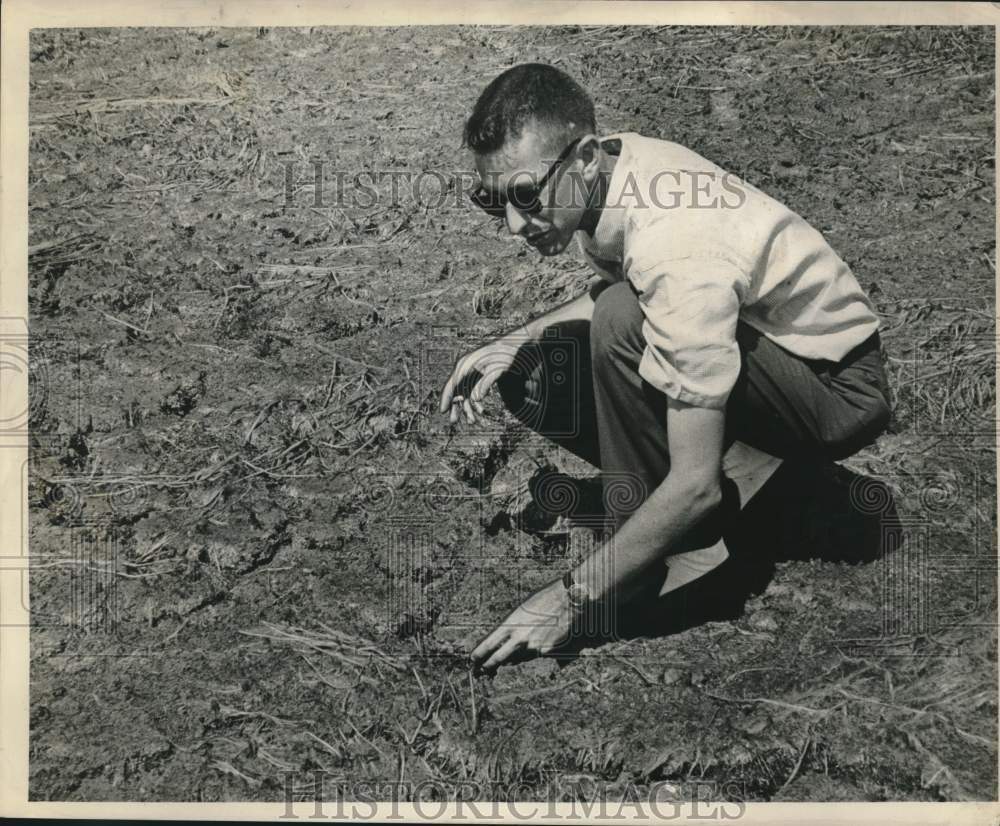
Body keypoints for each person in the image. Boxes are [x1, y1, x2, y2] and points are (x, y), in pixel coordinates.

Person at [439, 63, 892, 671]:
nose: (517, 225)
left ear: (588, 157)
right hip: (760, 346)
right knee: (530, 367)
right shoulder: (614, 175)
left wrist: (573, 597)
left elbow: (693, 481)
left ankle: (695, 553)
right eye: (493, 202)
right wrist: (516, 336)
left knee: (623, 325)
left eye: (526, 195)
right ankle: (745, 480)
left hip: (834, 386)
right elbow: (629, 290)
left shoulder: (678, 248)